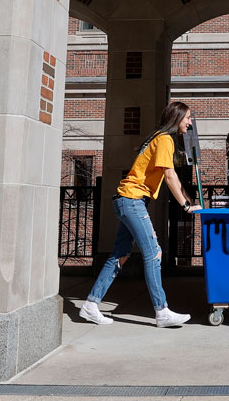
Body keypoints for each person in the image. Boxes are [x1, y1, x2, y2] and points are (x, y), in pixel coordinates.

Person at [79, 101, 202, 327]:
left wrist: (191, 202)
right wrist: (185, 206)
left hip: (127, 200)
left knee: (120, 255)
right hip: (132, 201)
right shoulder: (164, 140)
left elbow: (173, 176)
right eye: (187, 118)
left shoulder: (160, 138)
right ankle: (162, 311)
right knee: (154, 253)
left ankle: (90, 305)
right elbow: (169, 176)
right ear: (177, 118)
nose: (190, 122)